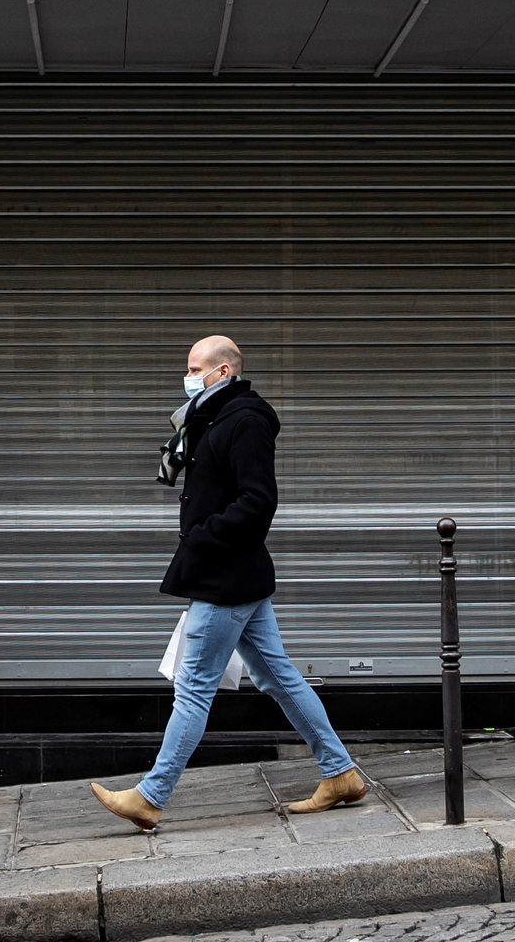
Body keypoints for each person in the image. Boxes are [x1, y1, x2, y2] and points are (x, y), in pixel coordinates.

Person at [91, 336, 362, 830]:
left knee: (193, 688)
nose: (188, 375)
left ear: (223, 372)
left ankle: (150, 796)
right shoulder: (212, 416)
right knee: (277, 677)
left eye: (196, 368)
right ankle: (340, 773)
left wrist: (201, 537)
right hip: (232, 574)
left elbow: (258, 501)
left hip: (225, 576)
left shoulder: (246, 421)